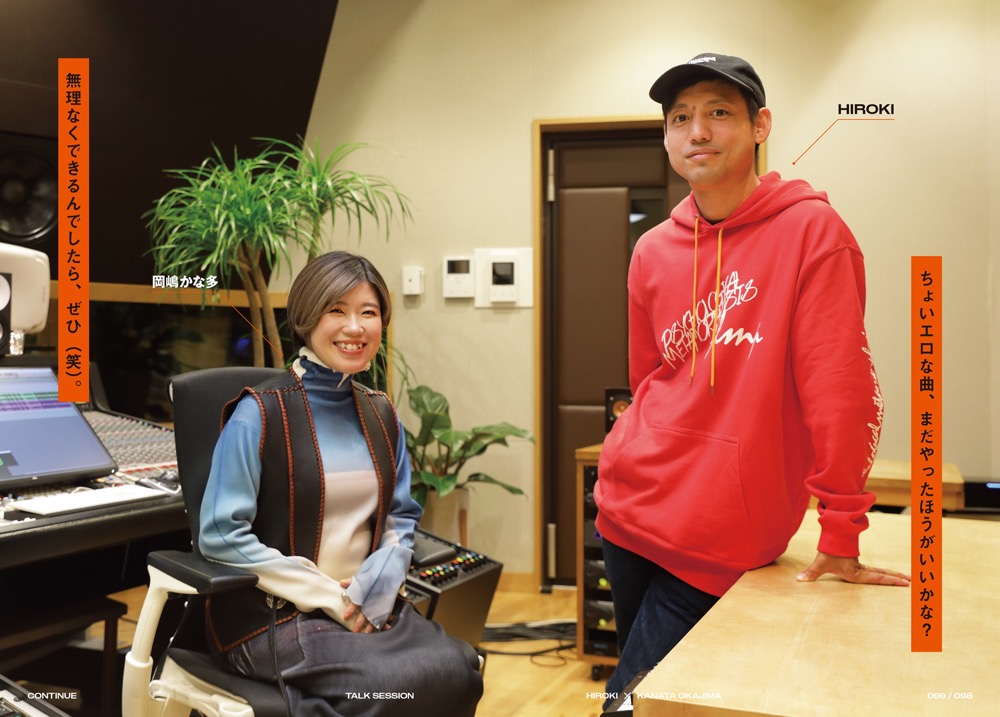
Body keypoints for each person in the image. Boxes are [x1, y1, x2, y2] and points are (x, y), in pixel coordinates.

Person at [594, 53, 910, 702]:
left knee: (634, 704)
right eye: (680, 118)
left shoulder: (814, 232)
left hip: (722, 540)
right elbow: (649, 378)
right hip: (626, 515)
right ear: (666, 137)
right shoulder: (652, 250)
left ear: (760, 125)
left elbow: (840, 392)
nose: (697, 131)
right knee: (649, 701)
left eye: (719, 112)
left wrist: (841, 529)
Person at [199, 251, 483, 716]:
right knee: (392, 688)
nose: (355, 327)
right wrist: (331, 597)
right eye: (337, 310)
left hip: (367, 608)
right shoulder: (259, 413)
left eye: (368, 313)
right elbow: (220, 535)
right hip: (275, 617)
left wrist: (379, 581)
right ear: (306, 317)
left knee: (459, 668)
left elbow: (401, 516)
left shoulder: (381, 413)